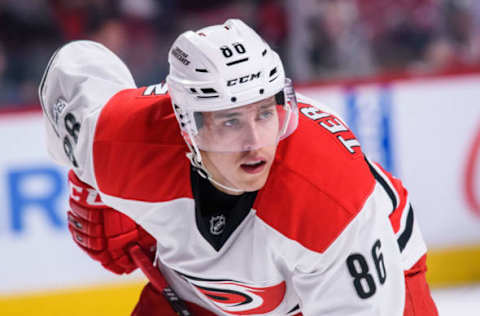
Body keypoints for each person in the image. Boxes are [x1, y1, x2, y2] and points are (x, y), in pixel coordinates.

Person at [39, 19, 438, 315]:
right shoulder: (120, 142)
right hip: (201, 292)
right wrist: (90, 182)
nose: (254, 142)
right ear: (187, 124)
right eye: (230, 121)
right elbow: (76, 68)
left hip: (375, 276)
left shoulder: (329, 201)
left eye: (266, 113)